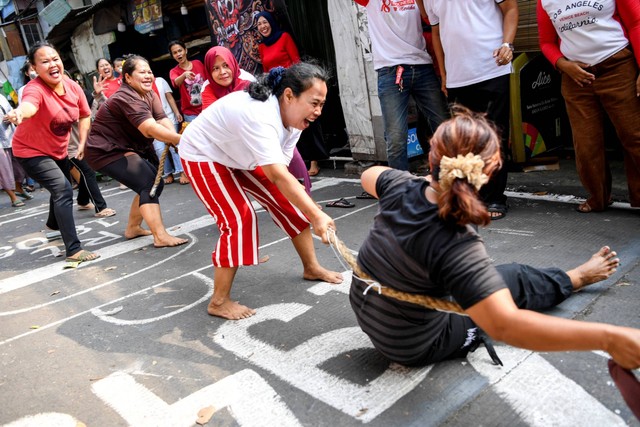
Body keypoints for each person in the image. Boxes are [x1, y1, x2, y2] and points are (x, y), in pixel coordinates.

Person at [348, 106, 640, 371]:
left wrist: (420, 181)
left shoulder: (399, 185)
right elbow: (506, 326)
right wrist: (610, 338)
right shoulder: (457, 242)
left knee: (480, 280)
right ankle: (576, 278)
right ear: (486, 175)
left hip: (369, 316)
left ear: (432, 158)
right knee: (514, 277)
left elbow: (369, 174)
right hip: (415, 345)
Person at [179, 62, 343, 320]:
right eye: (314, 103)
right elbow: (278, 174)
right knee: (238, 218)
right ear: (289, 95)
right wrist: (315, 214)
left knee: (289, 204)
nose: (318, 111)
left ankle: (312, 267)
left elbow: (282, 172)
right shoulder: (261, 115)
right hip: (203, 153)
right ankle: (219, 301)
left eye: (322, 104)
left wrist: (305, 206)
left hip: (239, 152)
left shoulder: (294, 120)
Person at [537, 0, 640, 213]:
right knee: (586, 143)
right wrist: (563, 64)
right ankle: (598, 197)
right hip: (575, 78)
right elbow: (546, 42)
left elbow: (636, 23)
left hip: (617, 67)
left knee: (633, 135)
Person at [422, 0, 518, 220]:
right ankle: (471, 194)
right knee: (465, 141)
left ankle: (494, 197)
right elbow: (436, 33)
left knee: (494, 136)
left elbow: (511, 8)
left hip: (491, 68)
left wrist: (508, 44)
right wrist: (444, 74)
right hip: (457, 76)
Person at [4, 41, 98, 263]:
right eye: (45, 61)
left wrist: (83, 142)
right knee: (63, 189)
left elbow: (84, 114)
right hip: (30, 151)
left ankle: (52, 224)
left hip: (58, 151)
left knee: (59, 188)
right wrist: (19, 113)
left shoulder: (72, 87)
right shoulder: (34, 88)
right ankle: (73, 250)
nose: (53, 64)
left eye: (55, 58)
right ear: (34, 68)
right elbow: (30, 105)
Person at [85, 55, 188, 249]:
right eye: (142, 72)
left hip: (130, 146)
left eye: (149, 71)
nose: (148, 75)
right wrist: (181, 140)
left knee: (154, 184)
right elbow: (149, 128)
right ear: (128, 78)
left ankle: (133, 228)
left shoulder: (149, 94)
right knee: (148, 182)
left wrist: (173, 137)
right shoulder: (126, 97)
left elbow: (161, 119)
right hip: (104, 150)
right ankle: (160, 236)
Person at [352, 0, 449, 172]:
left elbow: (433, 21)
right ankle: (400, 189)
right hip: (390, 71)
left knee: (444, 127)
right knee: (396, 138)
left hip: (422, 66)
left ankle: (448, 182)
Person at [256, 11, 320, 193]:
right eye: (259, 24)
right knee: (286, 129)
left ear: (270, 22)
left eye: (264, 22)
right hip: (279, 94)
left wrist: (299, 86)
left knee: (305, 125)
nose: (262, 26)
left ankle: (314, 161)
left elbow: (296, 61)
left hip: (295, 88)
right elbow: (267, 71)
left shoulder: (284, 37)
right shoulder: (262, 46)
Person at [151, 75, 186, 185]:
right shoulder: (136, 87)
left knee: (174, 146)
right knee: (159, 149)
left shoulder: (160, 81)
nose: (146, 75)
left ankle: (182, 172)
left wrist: (176, 112)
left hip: (168, 117)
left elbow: (169, 97)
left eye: (148, 71)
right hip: (151, 122)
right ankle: (168, 173)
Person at [168, 40, 206, 123]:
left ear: (185, 50)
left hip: (208, 106)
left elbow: (208, 81)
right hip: (191, 114)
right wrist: (184, 75)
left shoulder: (198, 63)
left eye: (180, 50)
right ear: (173, 56)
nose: (178, 54)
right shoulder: (174, 71)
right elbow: (176, 83)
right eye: (174, 53)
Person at [0, 95, 23, 207]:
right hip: (0, 143)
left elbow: (12, 113)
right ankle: (13, 197)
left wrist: (11, 117)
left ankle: (19, 188)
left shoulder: (2, 98)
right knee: (4, 170)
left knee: (20, 166)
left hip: (11, 137)